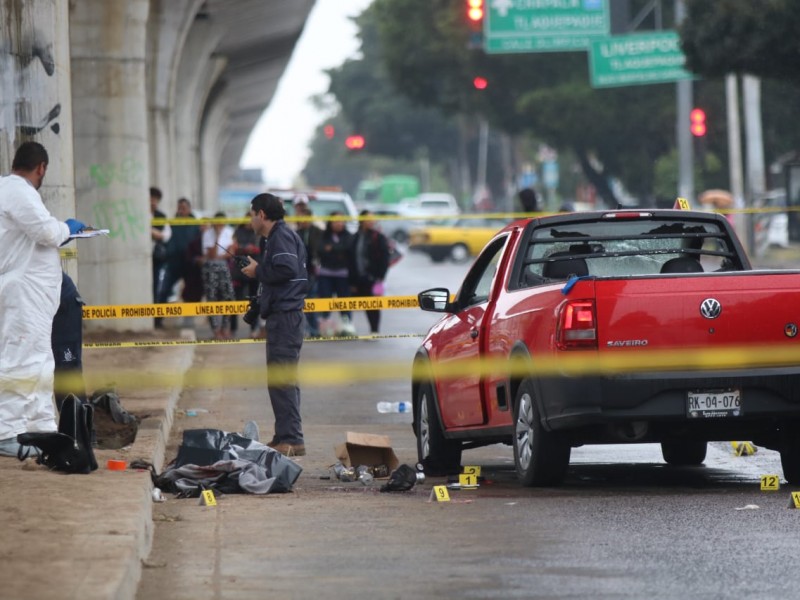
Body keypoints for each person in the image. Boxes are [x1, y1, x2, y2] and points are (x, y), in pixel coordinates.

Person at [0, 141, 85, 457]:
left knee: (39, 362)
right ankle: (7, 432)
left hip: (32, 297)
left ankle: (41, 429)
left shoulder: (12, 192)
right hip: (24, 295)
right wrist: (68, 228)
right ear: (41, 168)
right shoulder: (17, 191)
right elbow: (48, 232)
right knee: (20, 360)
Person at [241, 193, 308, 457]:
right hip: (282, 316)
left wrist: (257, 271)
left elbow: (287, 269)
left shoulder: (280, 237)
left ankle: (291, 438)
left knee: (283, 380)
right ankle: (285, 436)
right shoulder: (275, 237)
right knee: (282, 380)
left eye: (251, 213)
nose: (250, 219)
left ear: (261, 214)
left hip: (286, 317)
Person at [348, 209, 390, 336]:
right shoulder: (355, 237)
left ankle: (374, 330)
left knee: (373, 305)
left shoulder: (378, 237)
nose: (371, 221)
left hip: (373, 277)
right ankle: (348, 329)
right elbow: (351, 258)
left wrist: (380, 277)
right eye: (368, 219)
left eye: (373, 219)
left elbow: (384, 259)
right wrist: (352, 280)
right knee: (355, 304)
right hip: (358, 277)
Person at [156, 197, 200, 312]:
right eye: (179, 208)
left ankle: (189, 317)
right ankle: (158, 319)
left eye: (184, 208)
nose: (181, 211)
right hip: (173, 263)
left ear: (189, 209)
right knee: (164, 290)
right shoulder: (172, 224)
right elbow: (166, 239)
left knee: (191, 293)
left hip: (190, 264)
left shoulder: (196, 225)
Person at [316, 211, 353, 337]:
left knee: (344, 301)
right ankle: (326, 326)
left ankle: (346, 325)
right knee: (325, 300)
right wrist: (338, 249)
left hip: (343, 275)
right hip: (325, 274)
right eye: (336, 221)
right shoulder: (323, 235)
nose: (339, 223)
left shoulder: (348, 235)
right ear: (330, 222)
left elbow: (347, 249)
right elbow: (320, 249)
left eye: (341, 221)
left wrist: (332, 248)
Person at [201, 211, 236, 339]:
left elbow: (231, 252)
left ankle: (225, 328)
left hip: (224, 266)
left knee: (229, 297)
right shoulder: (207, 234)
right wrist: (216, 236)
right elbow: (211, 255)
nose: (220, 225)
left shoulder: (229, 231)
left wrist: (221, 254)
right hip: (210, 267)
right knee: (212, 298)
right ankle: (216, 331)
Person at [293, 197, 323, 338]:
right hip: (298, 272)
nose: (303, 221)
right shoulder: (295, 233)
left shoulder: (317, 232)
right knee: (299, 302)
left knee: (312, 300)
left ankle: (314, 329)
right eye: (301, 218)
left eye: (306, 218)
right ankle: (302, 329)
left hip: (312, 271)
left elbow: (319, 250)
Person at [229, 215, 262, 338]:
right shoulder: (238, 231)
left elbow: (261, 248)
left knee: (256, 300)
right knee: (234, 300)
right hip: (239, 271)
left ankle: (254, 329)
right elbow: (234, 247)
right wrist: (244, 248)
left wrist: (252, 249)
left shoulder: (258, 231)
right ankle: (233, 329)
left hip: (255, 270)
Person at [150, 187, 171, 328]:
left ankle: (157, 319)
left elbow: (166, 235)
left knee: (158, 288)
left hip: (157, 258)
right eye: (151, 198)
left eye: (156, 199)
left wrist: (151, 231)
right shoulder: (140, 214)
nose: (153, 202)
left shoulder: (161, 216)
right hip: (139, 258)